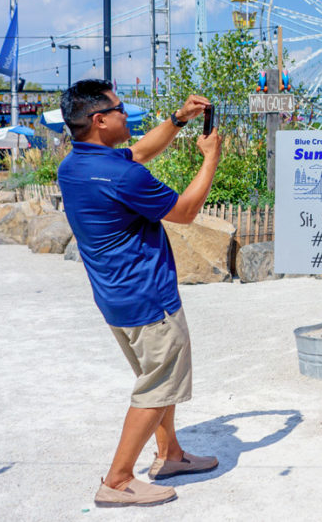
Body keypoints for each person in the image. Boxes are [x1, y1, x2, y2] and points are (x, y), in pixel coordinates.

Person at [57, 79, 222, 508]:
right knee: (157, 387)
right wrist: (211, 158)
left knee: (156, 379)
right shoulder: (122, 176)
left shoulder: (74, 166)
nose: (126, 113)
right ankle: (117, 480)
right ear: (100, 120)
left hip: (116, 297)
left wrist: (178, 120)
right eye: (119, 108)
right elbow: (185, 212)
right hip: (150, 299)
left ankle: (170, 455)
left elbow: (142, 150)